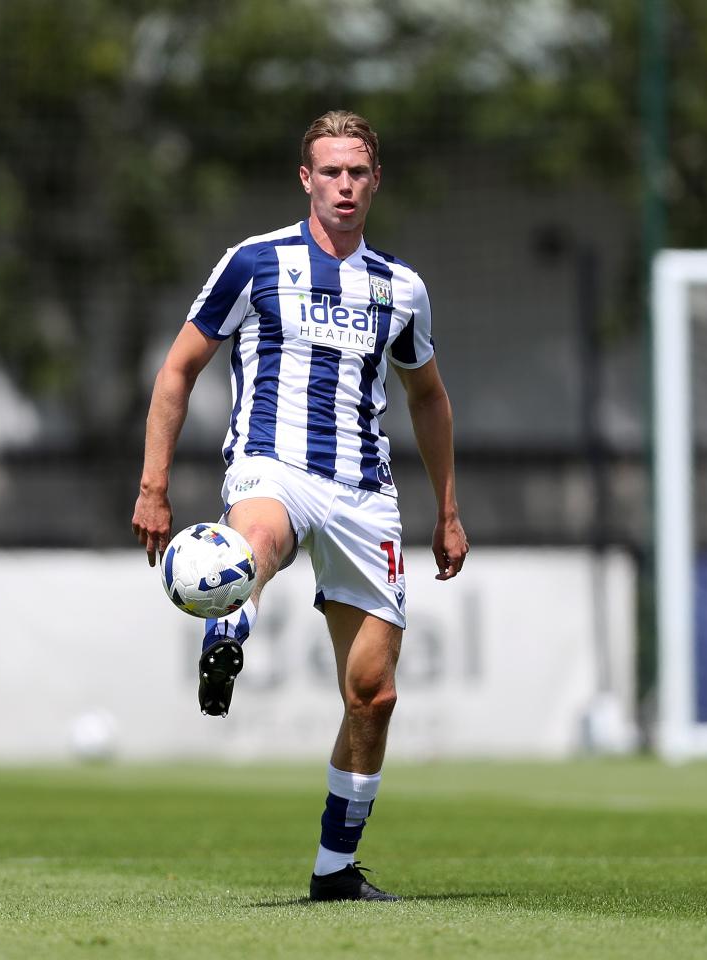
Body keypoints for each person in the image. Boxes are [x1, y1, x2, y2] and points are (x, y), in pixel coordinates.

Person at [131, 110, 468, 902]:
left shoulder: (400, 287)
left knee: (374, 695)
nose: (344, 186)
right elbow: (178, 370)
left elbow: (429, 398)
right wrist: (153, 484)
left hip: (365, 494)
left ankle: (334, 870)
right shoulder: (254, 264)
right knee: (255, 543)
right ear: (306, 179)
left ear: (374, 180)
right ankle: (228, 622)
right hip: (271, 467)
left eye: (358, 172)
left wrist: (448, 508)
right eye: (330, 172)